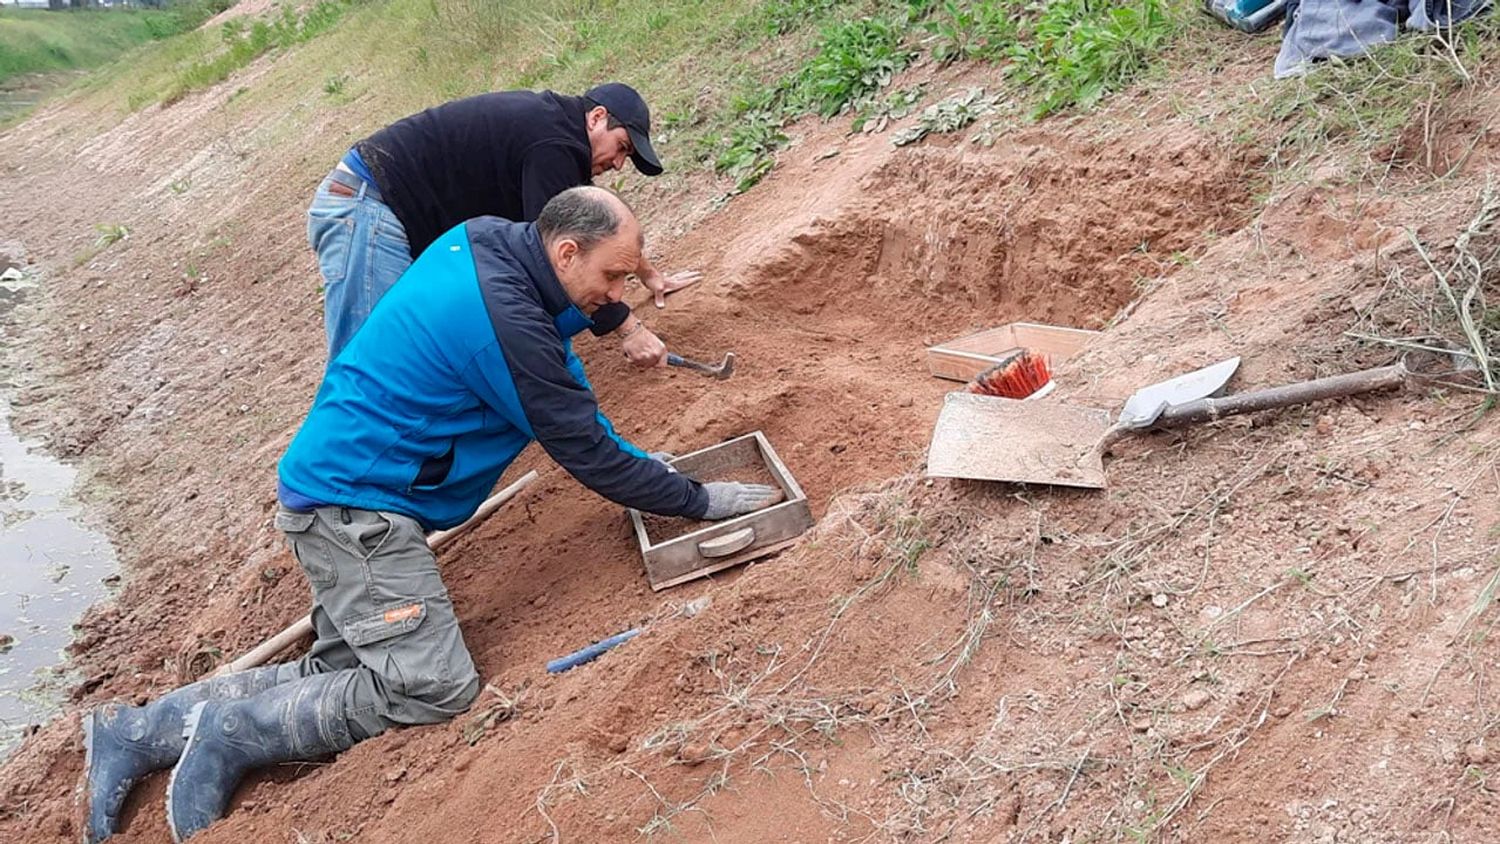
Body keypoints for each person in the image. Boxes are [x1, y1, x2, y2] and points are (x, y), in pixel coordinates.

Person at [79, 187, 779, 842]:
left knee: (344, 665)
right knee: (431, 685)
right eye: (615, 276)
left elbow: (563, 340)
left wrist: (615, 313)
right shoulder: (505, 327)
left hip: (338, 485)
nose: (618, 295)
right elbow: (585, 447)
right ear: (566, 251)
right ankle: (237, 732)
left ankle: (136, 733)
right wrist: (696, 498)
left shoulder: (491, 243)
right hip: (355, 513)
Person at [308, 81, 700, 362]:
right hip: (367, 205)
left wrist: (648, 274)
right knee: (366, 357)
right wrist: (628, 327)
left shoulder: (557, 134)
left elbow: (594, 227)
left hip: (392, 213)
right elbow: (553, 254)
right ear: (597, 118)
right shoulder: (556, 144)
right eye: (622, 148)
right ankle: (341, 474)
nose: (617, 163)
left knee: (416, 345)